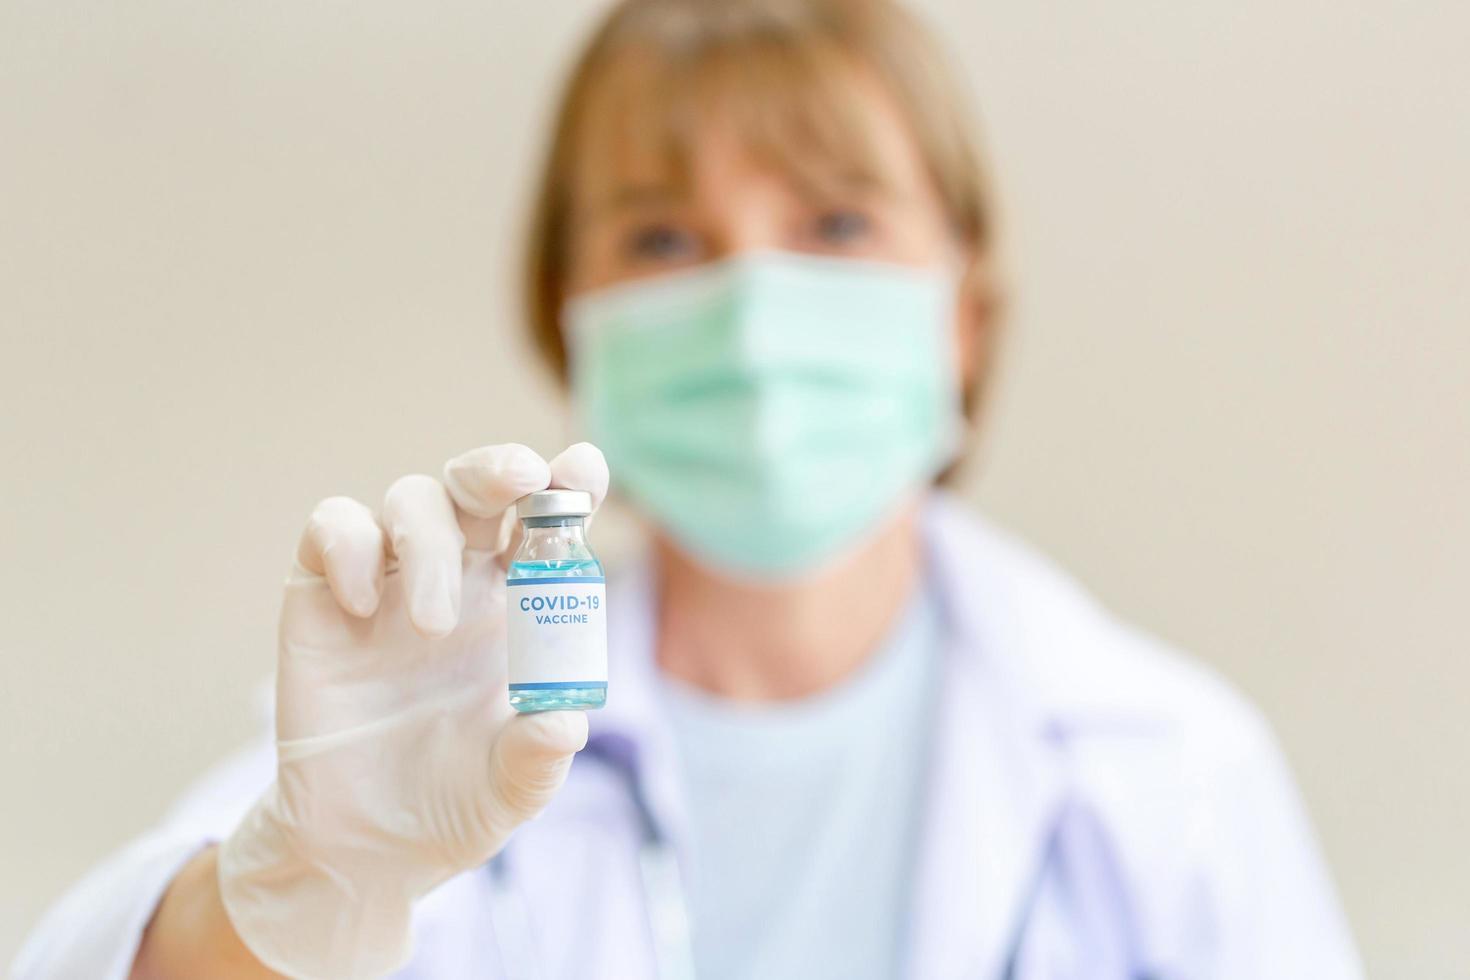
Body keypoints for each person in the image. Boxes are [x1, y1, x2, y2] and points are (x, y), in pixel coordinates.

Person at [14, 0, 1362, 977]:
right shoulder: (430, 730)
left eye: (836, 222)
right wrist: (293, 896)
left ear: (959, 310)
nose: (754, 309)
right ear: (569, 317)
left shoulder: (1167, 770)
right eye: (662, 236)